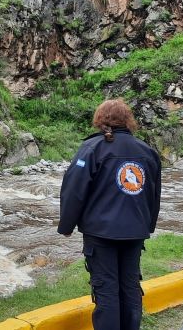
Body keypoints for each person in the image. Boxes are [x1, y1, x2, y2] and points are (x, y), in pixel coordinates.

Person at [57, 98, 161, 330]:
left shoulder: (92, 149)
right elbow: (154, 194)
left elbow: (74, 190)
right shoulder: (147, 151)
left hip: (101, 234)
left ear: (100, 120)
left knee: (106, 290)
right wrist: (147, 225)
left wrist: (66, 226)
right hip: (135, 232)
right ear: (127, 121)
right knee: (131, 286)